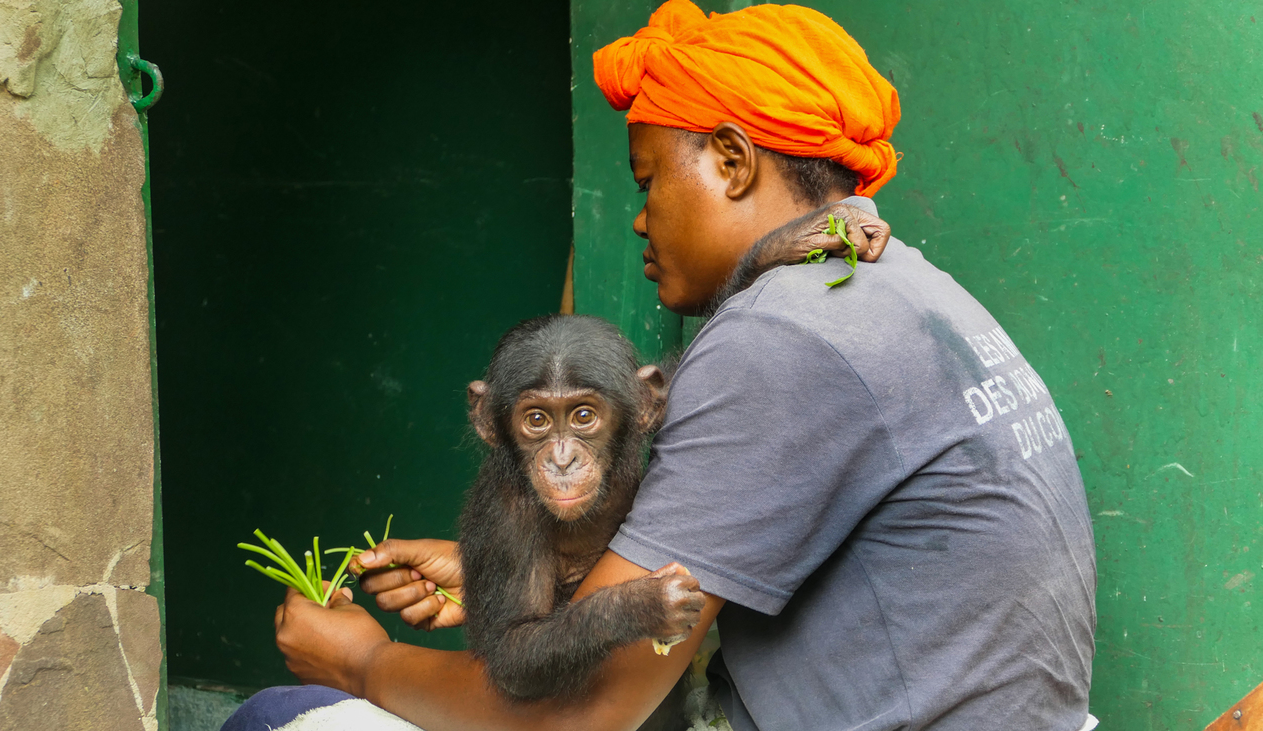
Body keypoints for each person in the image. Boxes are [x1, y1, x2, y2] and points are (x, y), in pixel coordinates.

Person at [231, 2, 1097, 730]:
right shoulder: (902, 281)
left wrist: (367, 661)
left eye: (647, 180)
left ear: (731, 159)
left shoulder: (781, 335)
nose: (640, 219)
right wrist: (534, 571)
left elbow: (585, 711)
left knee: (275, 712)